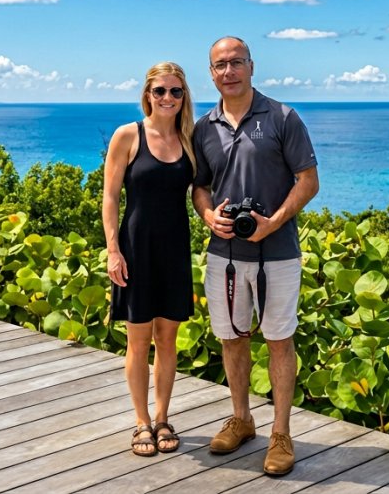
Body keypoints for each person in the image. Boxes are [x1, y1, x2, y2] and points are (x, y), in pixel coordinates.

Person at [192, 36, 319, 476]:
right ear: (211, 73)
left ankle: (281, 433)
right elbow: (200, 187)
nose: (228, 71)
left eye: (236, 62)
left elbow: (308, 180)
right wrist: (208, 215)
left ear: (251, 66)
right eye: (220, 65)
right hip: (223, 255)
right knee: (232, 338)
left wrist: (274, 222)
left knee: (279, 340)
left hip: (277, 253)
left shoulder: (283, 117)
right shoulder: (204, 127)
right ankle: (242, 419)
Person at [102, 62, 196, 457]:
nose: (167, 98)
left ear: (184, 96)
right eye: (160, 91)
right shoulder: (128, 135)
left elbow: (204, 191)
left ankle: (162, 418)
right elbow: (110, 197)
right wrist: (113, 250)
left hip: (175, 250)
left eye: (175, 91)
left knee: (168, 340)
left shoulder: (189, 138)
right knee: (138, 341)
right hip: (136, 248)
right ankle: (141, 421)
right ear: (148, 95)